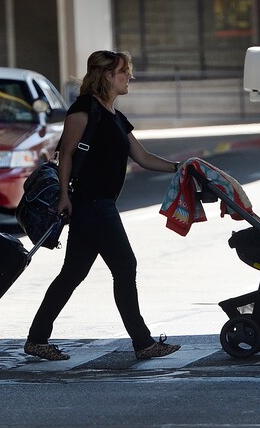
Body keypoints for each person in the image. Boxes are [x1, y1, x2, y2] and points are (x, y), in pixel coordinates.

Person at [24, 50, 182, 361]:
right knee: (125, 266)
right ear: (108, 75)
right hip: (91, 203)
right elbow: (66, 154)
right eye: (125, 72)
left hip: (101, 204)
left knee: (72, 274)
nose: (129, 77)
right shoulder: (84, 110)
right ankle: (143, 343)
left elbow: (143, 157)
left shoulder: (116, 118)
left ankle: (36, 339)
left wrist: (181, 167)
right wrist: (65, 197)